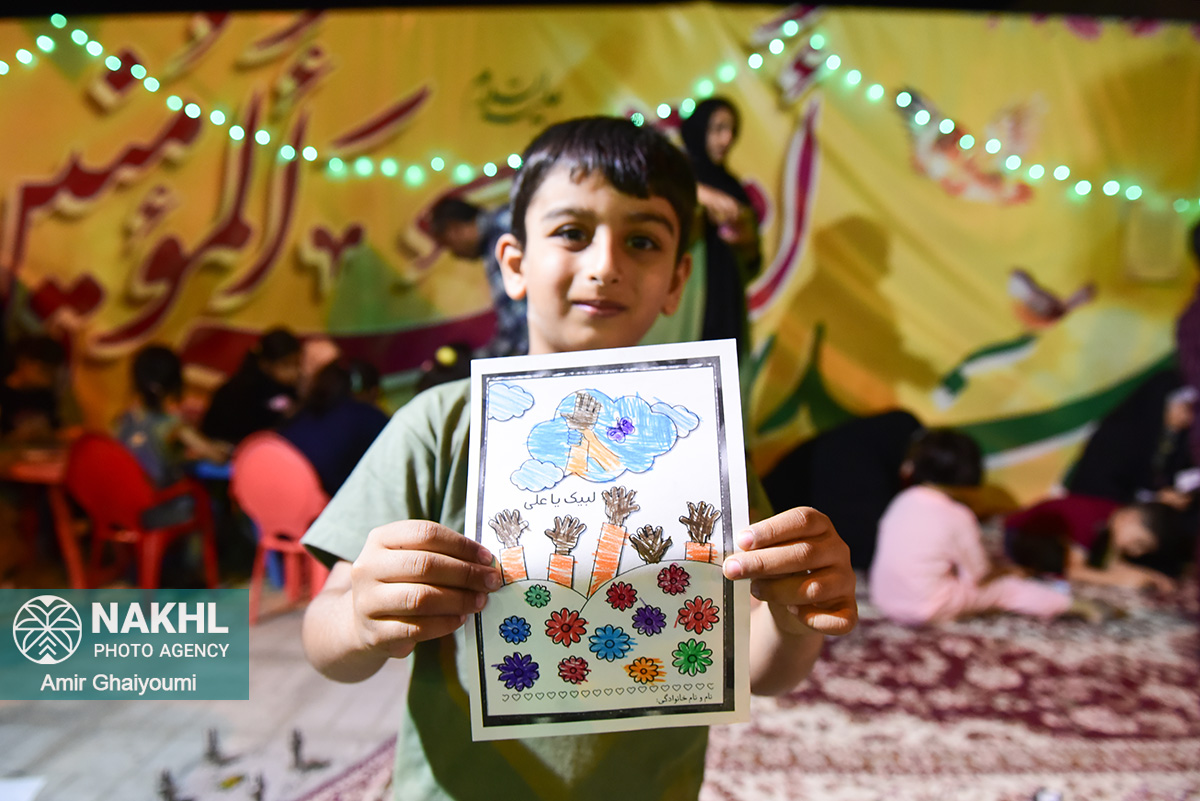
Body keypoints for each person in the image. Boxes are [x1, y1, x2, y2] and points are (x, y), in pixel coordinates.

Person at [301, 116, 858, 801]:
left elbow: (759, 666)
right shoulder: (440, 427)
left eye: (643, 240)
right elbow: (325, 640)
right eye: (572, 232)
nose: (605, 264)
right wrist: (360, 616)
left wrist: (797, 619)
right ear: (513, 263)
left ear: (677, 279)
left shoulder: (704, 445)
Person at [869, 428, 1078, 625]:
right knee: (1006, 589)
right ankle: (1068, 604)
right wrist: (1007, 573)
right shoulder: (958, 514)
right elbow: (978, 575)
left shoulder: (902, 500)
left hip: (885, 599)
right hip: (927, 607)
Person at [679, 97, 762, 357]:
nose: (726, 139)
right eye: (718, 129)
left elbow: (753, 263)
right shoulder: (676, 173)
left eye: (731, 131)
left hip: (725, 308)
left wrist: (747, 240)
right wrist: (699, 193)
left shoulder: (734, 188)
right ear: (700, 127)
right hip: (684, 306)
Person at [1005, 496, 1185, 593]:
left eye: (1143, 550)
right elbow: (1075, 571)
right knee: (1054, 565)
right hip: (1019, 535)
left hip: (1050, 540)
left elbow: (1111, 564)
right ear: (1131, 518)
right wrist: (1120, 580)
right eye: (1139, 543)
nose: (1137, 552)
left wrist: (1150, 576)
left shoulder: (1113, 516)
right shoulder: (1090, 521)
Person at [114, 344, 231, 489]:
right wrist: (225, 449)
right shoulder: (173, 425)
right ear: (176, 384)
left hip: (127, 490)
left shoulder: (124, 418)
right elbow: (218, 458)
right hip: (162, 496)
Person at [429, 197, 527, 357]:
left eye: (449, 245)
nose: (454, 254)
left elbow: (517, 325)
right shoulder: (506, 221)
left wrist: (476, 361)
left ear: (455, 229)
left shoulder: (500, 241)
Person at [277, 361, 389, 496]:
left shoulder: (297, 417)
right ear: (373, 392)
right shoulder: (367, 417)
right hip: (323, 500)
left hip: (279, 491)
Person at [200, 328, 302, 446]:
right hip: (226, 440)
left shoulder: (285, 383)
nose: (295, 372)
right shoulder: (248, 388)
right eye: (286, 365)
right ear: (265, 364)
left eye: (297, 363)